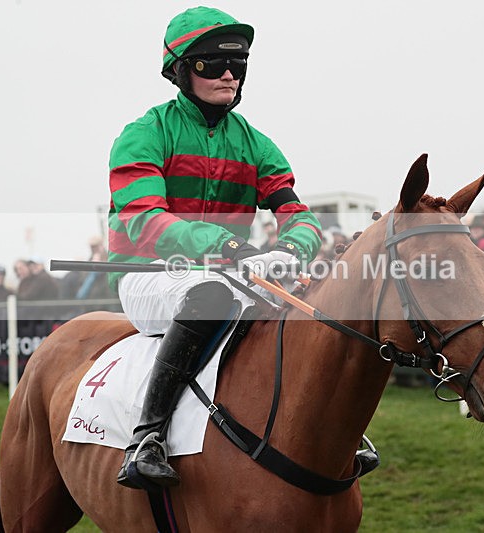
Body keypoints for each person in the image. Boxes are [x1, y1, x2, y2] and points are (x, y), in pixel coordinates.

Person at [108, 6, 322, 489]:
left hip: (229, 272)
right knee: (210, 295)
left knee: (308, 301)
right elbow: (145, 221)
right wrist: (228, 245)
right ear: (181, 70)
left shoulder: (257, 145)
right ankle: (147, 436)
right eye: (212, 64)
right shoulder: (144, 135)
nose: (228, 74)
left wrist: (293, 249)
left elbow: (298, 214)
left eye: (238, 65)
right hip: (149, 275)